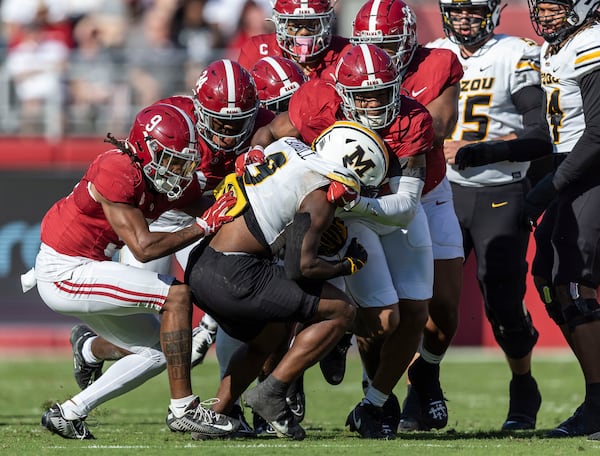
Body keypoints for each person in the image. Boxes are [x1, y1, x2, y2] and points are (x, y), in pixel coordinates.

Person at [22, 103, 240, 440]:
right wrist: (203, 225)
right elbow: (144, 247)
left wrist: (244, 193)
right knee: (176, 296)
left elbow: (203, 201)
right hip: (66, 270)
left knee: (161, 349)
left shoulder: (153, 172)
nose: (178, 168)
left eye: (182, 160)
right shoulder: (116, 169)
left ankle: (69, 413)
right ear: (146, 149)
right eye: (170, 158)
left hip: (85, 266)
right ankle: (183, 408)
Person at [251, 43, 435, 439]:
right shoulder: (318, 99)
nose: (372, 105)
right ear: (343, 94)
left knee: (417, 315)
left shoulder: (412, 118)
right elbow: (270, 130)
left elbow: (403, 206)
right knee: (385, 320)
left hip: (378, 205)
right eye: (363, 96)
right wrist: (255, 153)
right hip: (347, 216)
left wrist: (355, 199)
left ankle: (373, 405)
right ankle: (335, 351)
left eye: (381, 94)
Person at [186, 120, 390, 440]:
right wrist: (346, 265)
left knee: (271, 334)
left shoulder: (288, 147)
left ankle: (218, 414)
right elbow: (301, 268)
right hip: (235, 274)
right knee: (342, 311)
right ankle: (272, 393)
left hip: (200, 264)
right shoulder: (320, 194)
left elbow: (265, 135)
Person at [454, 0, 600, 438]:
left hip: (587, 173)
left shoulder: (591, 41)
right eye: (542, 6)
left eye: (557, 6)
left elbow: (596, 132)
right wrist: (492, 151)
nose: (546, 14)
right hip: (564, 170)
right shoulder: (555, 48)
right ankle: (595, 400)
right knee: (551, 283)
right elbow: (547, 135)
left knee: (574, 282)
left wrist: (549, 187)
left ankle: (598, 404)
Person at [428, 0, 546, 430]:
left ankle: (523, 387)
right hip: (442, 193)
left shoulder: (514, 52)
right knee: (427, 296)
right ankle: (423, 387)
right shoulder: (433, 54)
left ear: (493, 12)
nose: (463, 18)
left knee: (502, 301)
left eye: (473, 10)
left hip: (501, 188)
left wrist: (477, 152)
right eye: (456, 10)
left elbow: (539, 135)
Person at [350, 0, 464, 432]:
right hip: (370, 200)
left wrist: (387, 121)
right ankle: (376, 396)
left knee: (445, 308)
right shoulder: (347, 66)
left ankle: (426, 373)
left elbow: (440, 124)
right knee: (378, 308)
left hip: (427, 191)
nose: (383, 52)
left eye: (391, 43)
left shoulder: (437, 62)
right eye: (372, 44)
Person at [237, 0, 348, 79]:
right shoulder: (257, 49)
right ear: (280, 22)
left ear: (326, 21)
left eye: (312, 24)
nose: (304, 32)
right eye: (295, 25)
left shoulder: (345, 53)